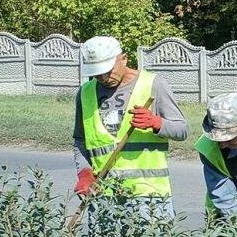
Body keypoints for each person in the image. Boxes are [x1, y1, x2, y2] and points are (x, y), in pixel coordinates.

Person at [71, 35, 188, 219]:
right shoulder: (85, 93)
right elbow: (80, 140)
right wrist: (84, 173)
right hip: (103, 195)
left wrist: (156, 123)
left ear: (124, 59)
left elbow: (182, 130)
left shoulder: (153, 85)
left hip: (148, 197)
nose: (103, 77)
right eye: (96, 73)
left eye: (107, 70)